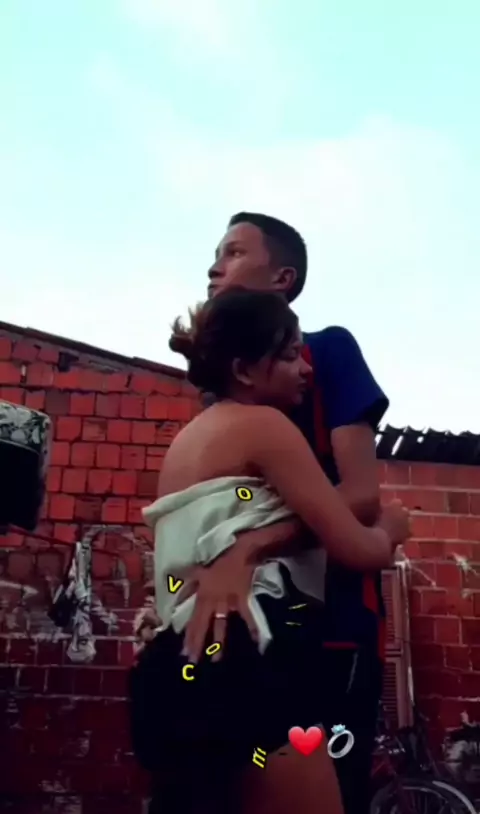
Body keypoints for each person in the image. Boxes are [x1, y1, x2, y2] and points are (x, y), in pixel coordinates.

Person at [136, 212, 390, 814]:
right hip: (265, 641)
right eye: (217, 253)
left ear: (283, 277)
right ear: (246, 370)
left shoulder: (328, 351)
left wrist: (247, 548)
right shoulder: (244, 412)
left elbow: (360, 492)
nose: (214, 266)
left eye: (233, 251)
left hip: (306, 633)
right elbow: (365, 521)